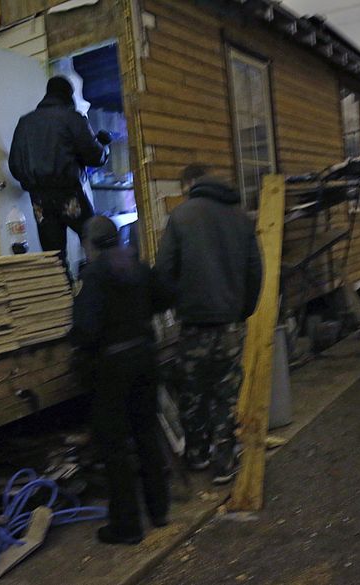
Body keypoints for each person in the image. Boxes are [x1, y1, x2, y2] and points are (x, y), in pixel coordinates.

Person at [154, 164, 263, 485]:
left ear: (188, 184)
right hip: (230, 323)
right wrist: (242, 311)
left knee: (193, 390)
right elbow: (255, 271)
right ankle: (225, 460)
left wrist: (172, 304)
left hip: (194, 324)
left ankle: (198, 454)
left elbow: (164, 271)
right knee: (225, 392)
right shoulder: (239, 217)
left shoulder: (181, 217)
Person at [70, 216, 171, 545]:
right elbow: (164, 297)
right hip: (145, 357)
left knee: (114, 448)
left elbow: (86, 329)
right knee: (147, 436)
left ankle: (127, 526)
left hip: (113, 368)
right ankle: (159, 510)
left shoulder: (93, 274)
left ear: (91, 243)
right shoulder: (138, 265)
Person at [9, 76, 112, 266]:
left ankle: (63, 293)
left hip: (39, 200)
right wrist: (104, 145)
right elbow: (94, 157)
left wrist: (33, 183)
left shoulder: (24, 123)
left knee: (54, 259)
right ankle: (100, 290)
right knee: (95, 244)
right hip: (70, 196)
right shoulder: (72, 118)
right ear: (68, 95)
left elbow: (14, 166)